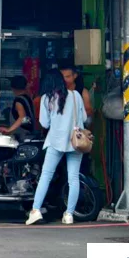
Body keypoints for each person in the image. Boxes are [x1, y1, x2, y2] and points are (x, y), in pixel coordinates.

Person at [26, 69, 87, 225]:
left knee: (46, 175)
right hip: (75, 142)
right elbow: (84, 118)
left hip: (56, 141)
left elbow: (44, 123)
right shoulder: (76, 95)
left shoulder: (47, 99)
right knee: (73, 178)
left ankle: (36, 211)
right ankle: (69, 214)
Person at [0, 75, 35, 140]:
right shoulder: (28, 98)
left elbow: (22, 117)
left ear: (13, 88)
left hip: (22, 136)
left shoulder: (19, 101)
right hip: (28, 134)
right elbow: (27, 118)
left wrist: (9, 130)